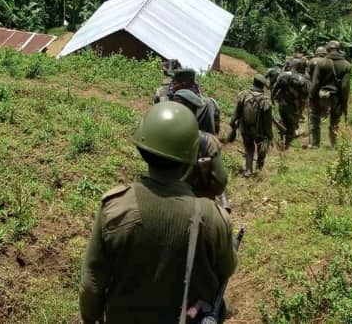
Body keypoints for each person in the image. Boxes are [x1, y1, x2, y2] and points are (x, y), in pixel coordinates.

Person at [79, 103, 237, 324]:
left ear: (143, 149)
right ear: (191, 156)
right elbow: (227, 268)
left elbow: (91, 284)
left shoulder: (115, 207)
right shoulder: (214, 218)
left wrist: (90, 318)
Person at [170, 91, 228, 200]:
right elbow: (220, 183)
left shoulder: (160, 134)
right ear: (195, 112)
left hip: (164, 199)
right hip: (196, 203)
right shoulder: (208, 142)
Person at [227, 74, 274, 177]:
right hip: (259, 132)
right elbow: (267, 122)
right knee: (262, 147)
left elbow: (236, 113)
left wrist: (233, 125)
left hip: (245, 128)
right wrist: (269, 135)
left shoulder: (243, 95)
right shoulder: (265, 101)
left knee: (249, 148)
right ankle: (259, 166)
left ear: (253, 82)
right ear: (262, 86)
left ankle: (248, 170)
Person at [308, 41, 352, 148]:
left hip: (321, 96)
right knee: (334, 121)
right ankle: (333, 144)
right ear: (339, 49)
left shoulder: (321, 63)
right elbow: (345, 86)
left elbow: (316, 82)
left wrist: (311, 96)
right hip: (336, 97)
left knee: (315, 119)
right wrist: (344, 101)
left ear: (327, 49)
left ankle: (315, 144)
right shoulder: (346, 65)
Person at [271, 66, 306, 148]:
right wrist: (301, 110)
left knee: (283, 120)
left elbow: (275, 88)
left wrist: (272, 98)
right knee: (291, 125)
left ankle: (281, 138)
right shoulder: (301, 79)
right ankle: (286, 145)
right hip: (293, 107)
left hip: (282, 105)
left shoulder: (283, 76)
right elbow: (304, 97)